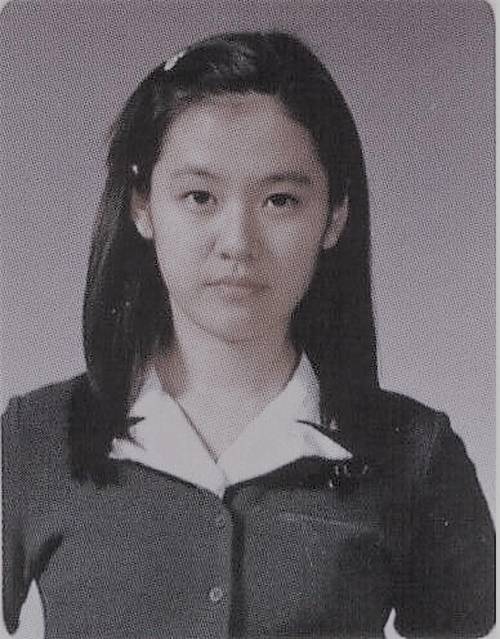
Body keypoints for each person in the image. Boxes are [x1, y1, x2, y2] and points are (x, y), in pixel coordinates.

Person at [2, 30, 494, 639]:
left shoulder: (416, 454)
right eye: (199, 197)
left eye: (280, 201)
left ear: (334, 215)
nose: (237, 242)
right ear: (142, 206)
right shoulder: (33, 439)